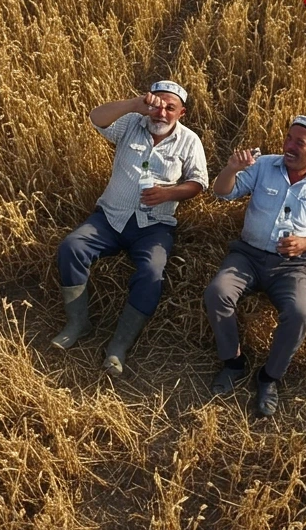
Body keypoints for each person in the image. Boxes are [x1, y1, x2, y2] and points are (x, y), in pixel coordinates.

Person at [52, 81, 209, 376]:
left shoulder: (190, 141)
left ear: (181, 113)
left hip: (154, 227)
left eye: (169, 107)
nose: (160, 112)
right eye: (156, 104)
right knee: (72, 247)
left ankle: (119, 346)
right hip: (110, 218)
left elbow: (198, 183)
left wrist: (169, 193)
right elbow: (95, 117)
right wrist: (134, 104)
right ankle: (77, 323)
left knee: (152, 273)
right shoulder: (131, 123)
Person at [203, 115, 306, 416]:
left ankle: (269, 377)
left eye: (299, 143)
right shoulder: (265, 165)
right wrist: (232, 168)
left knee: (298, 313)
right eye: (288, 138)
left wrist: (305, 244)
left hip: (291, 267)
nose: (289, 146)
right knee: (217, 292)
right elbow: (222, 192)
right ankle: (233, 362)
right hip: (248, 256)